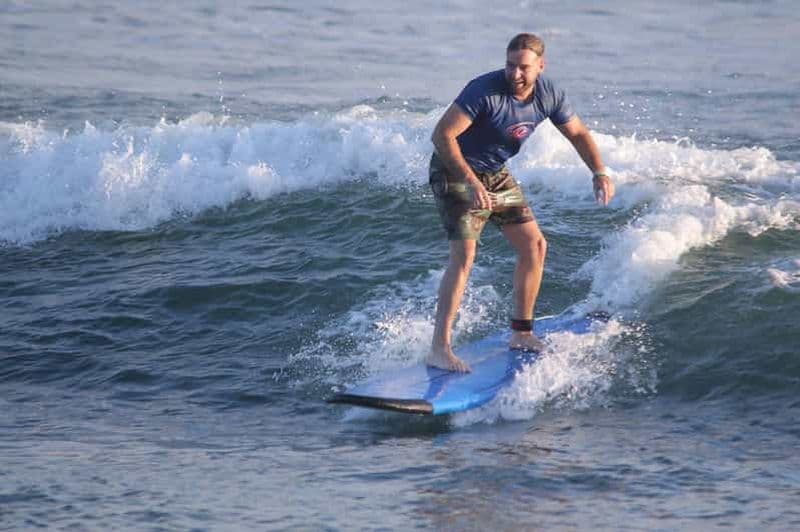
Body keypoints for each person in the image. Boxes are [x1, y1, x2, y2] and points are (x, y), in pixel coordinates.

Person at [426, 33, 615, 373]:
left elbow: (578, 133)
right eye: (510, 65)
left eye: (524, 67)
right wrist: (470, 182)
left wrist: (599, 171)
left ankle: (522, 333)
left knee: (535, 246)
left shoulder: (548, 94)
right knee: (464, 255)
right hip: (454, 171)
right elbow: (442, 135)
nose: (515, 74)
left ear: (541, 66)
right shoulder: (483, 91)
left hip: (495, 173)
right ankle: (439, 349)